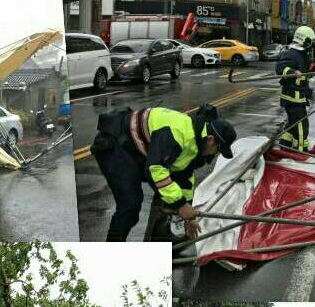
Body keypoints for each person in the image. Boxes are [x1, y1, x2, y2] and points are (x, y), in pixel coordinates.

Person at [91, 103, 237, 242]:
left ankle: (158, 238)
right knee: (130, 204)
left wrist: (188, 214)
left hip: (138, 149)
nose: (216, 154)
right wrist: (180, 206)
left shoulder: (196, 142)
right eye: (218, 150)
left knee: (169, 193)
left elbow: (184, 177)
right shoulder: (178, 133)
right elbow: (155, 169)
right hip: (115, 144)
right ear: (211, 140)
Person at [275, 26, 315, 152]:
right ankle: (301, 151)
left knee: (293, 124)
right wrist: (291, 71)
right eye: (311, 42)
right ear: (304, 40)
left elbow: (312, 69)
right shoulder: (290, 54)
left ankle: (284, 145)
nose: (312, 45)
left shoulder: (302, 55)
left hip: (299, 97)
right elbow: (280, 68)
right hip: (292, 98)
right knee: (302, 127)